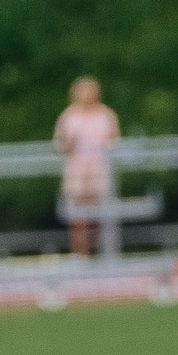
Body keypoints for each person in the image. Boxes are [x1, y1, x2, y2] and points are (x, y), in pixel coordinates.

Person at [53, 76, 121, 257]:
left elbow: (115, 142)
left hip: (100, 170)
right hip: (77, 172)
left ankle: (99, 253)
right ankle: (80, 255)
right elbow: (59, 145)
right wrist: (69, 145)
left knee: (100, 215)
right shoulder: (68, 117)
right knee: (77, 217)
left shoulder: (106, 115)